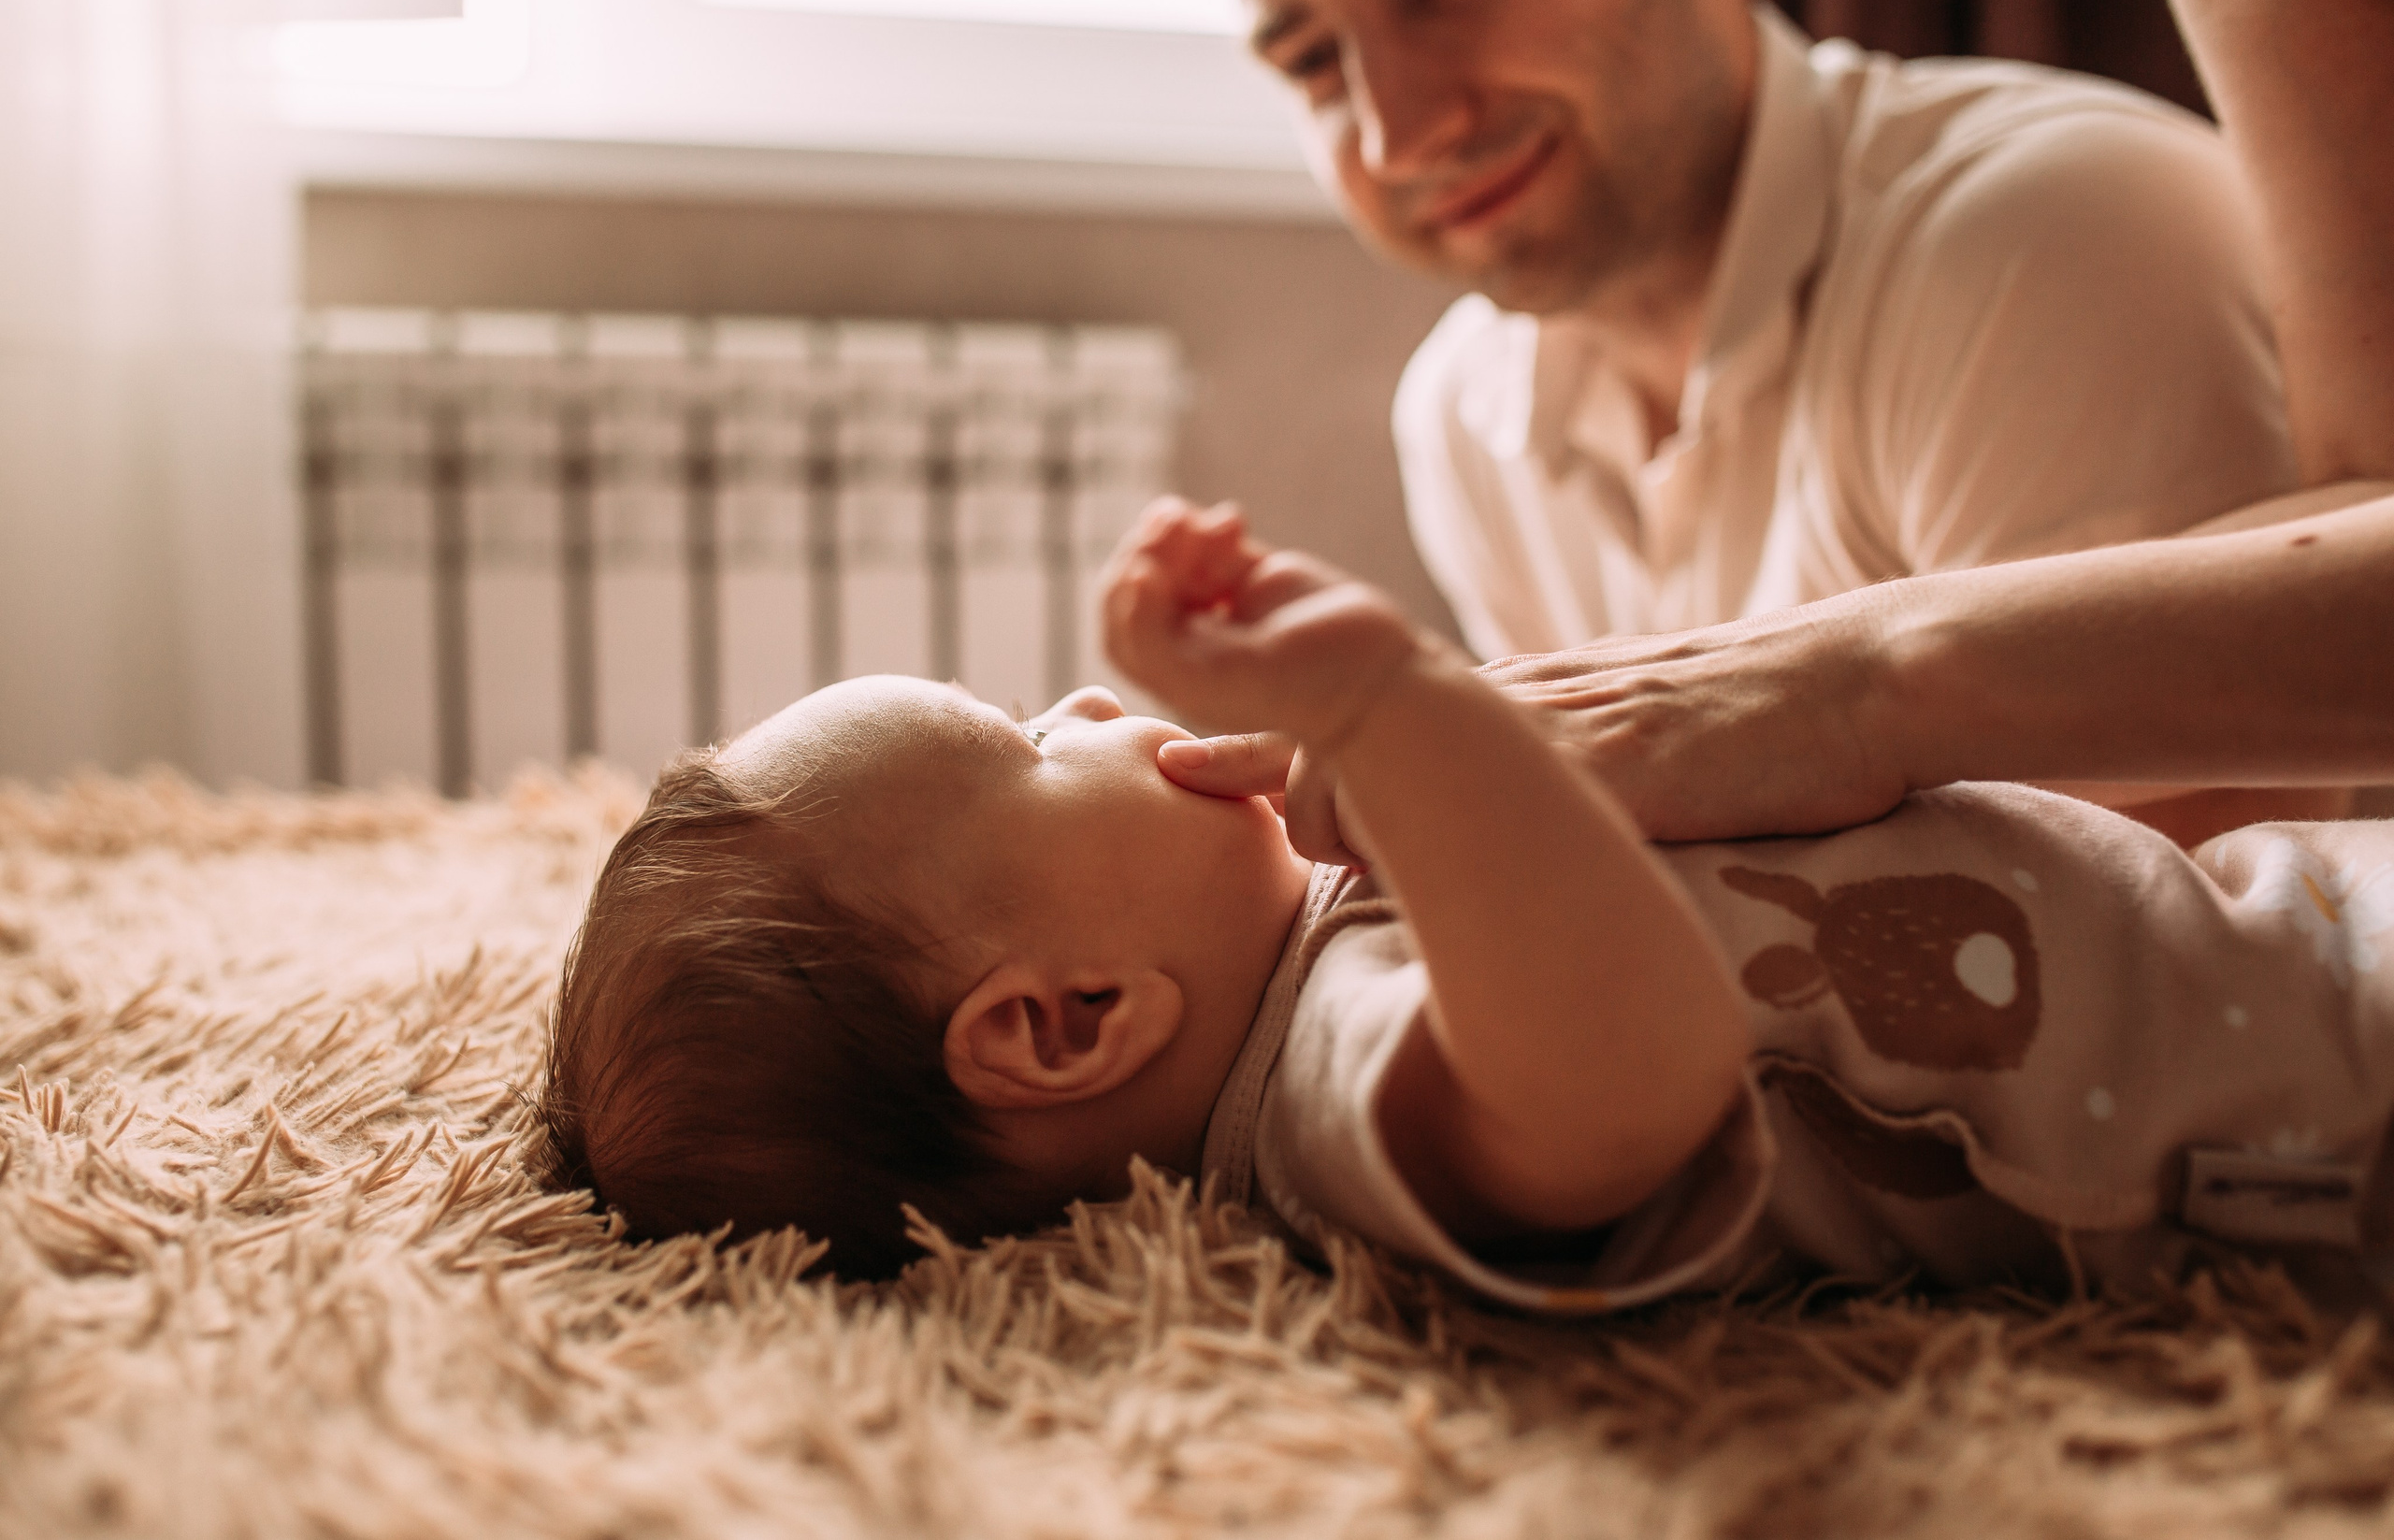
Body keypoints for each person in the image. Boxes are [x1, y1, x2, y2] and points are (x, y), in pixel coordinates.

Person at [539, 498, 2394, 1306]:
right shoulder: (1336, 1100)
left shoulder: (1349, 917)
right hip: (2308, 1114)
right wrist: (1396, 718)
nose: (1093, 705)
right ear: (1067, 1018)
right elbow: (1616, 1081)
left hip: (2279, 922)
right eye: (1032, 736)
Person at [1180, 0, 2328, 844]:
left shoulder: (2043, 239)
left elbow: (2153, 977)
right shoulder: (1462, 413)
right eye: (1312, 63)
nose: (1399, 130)